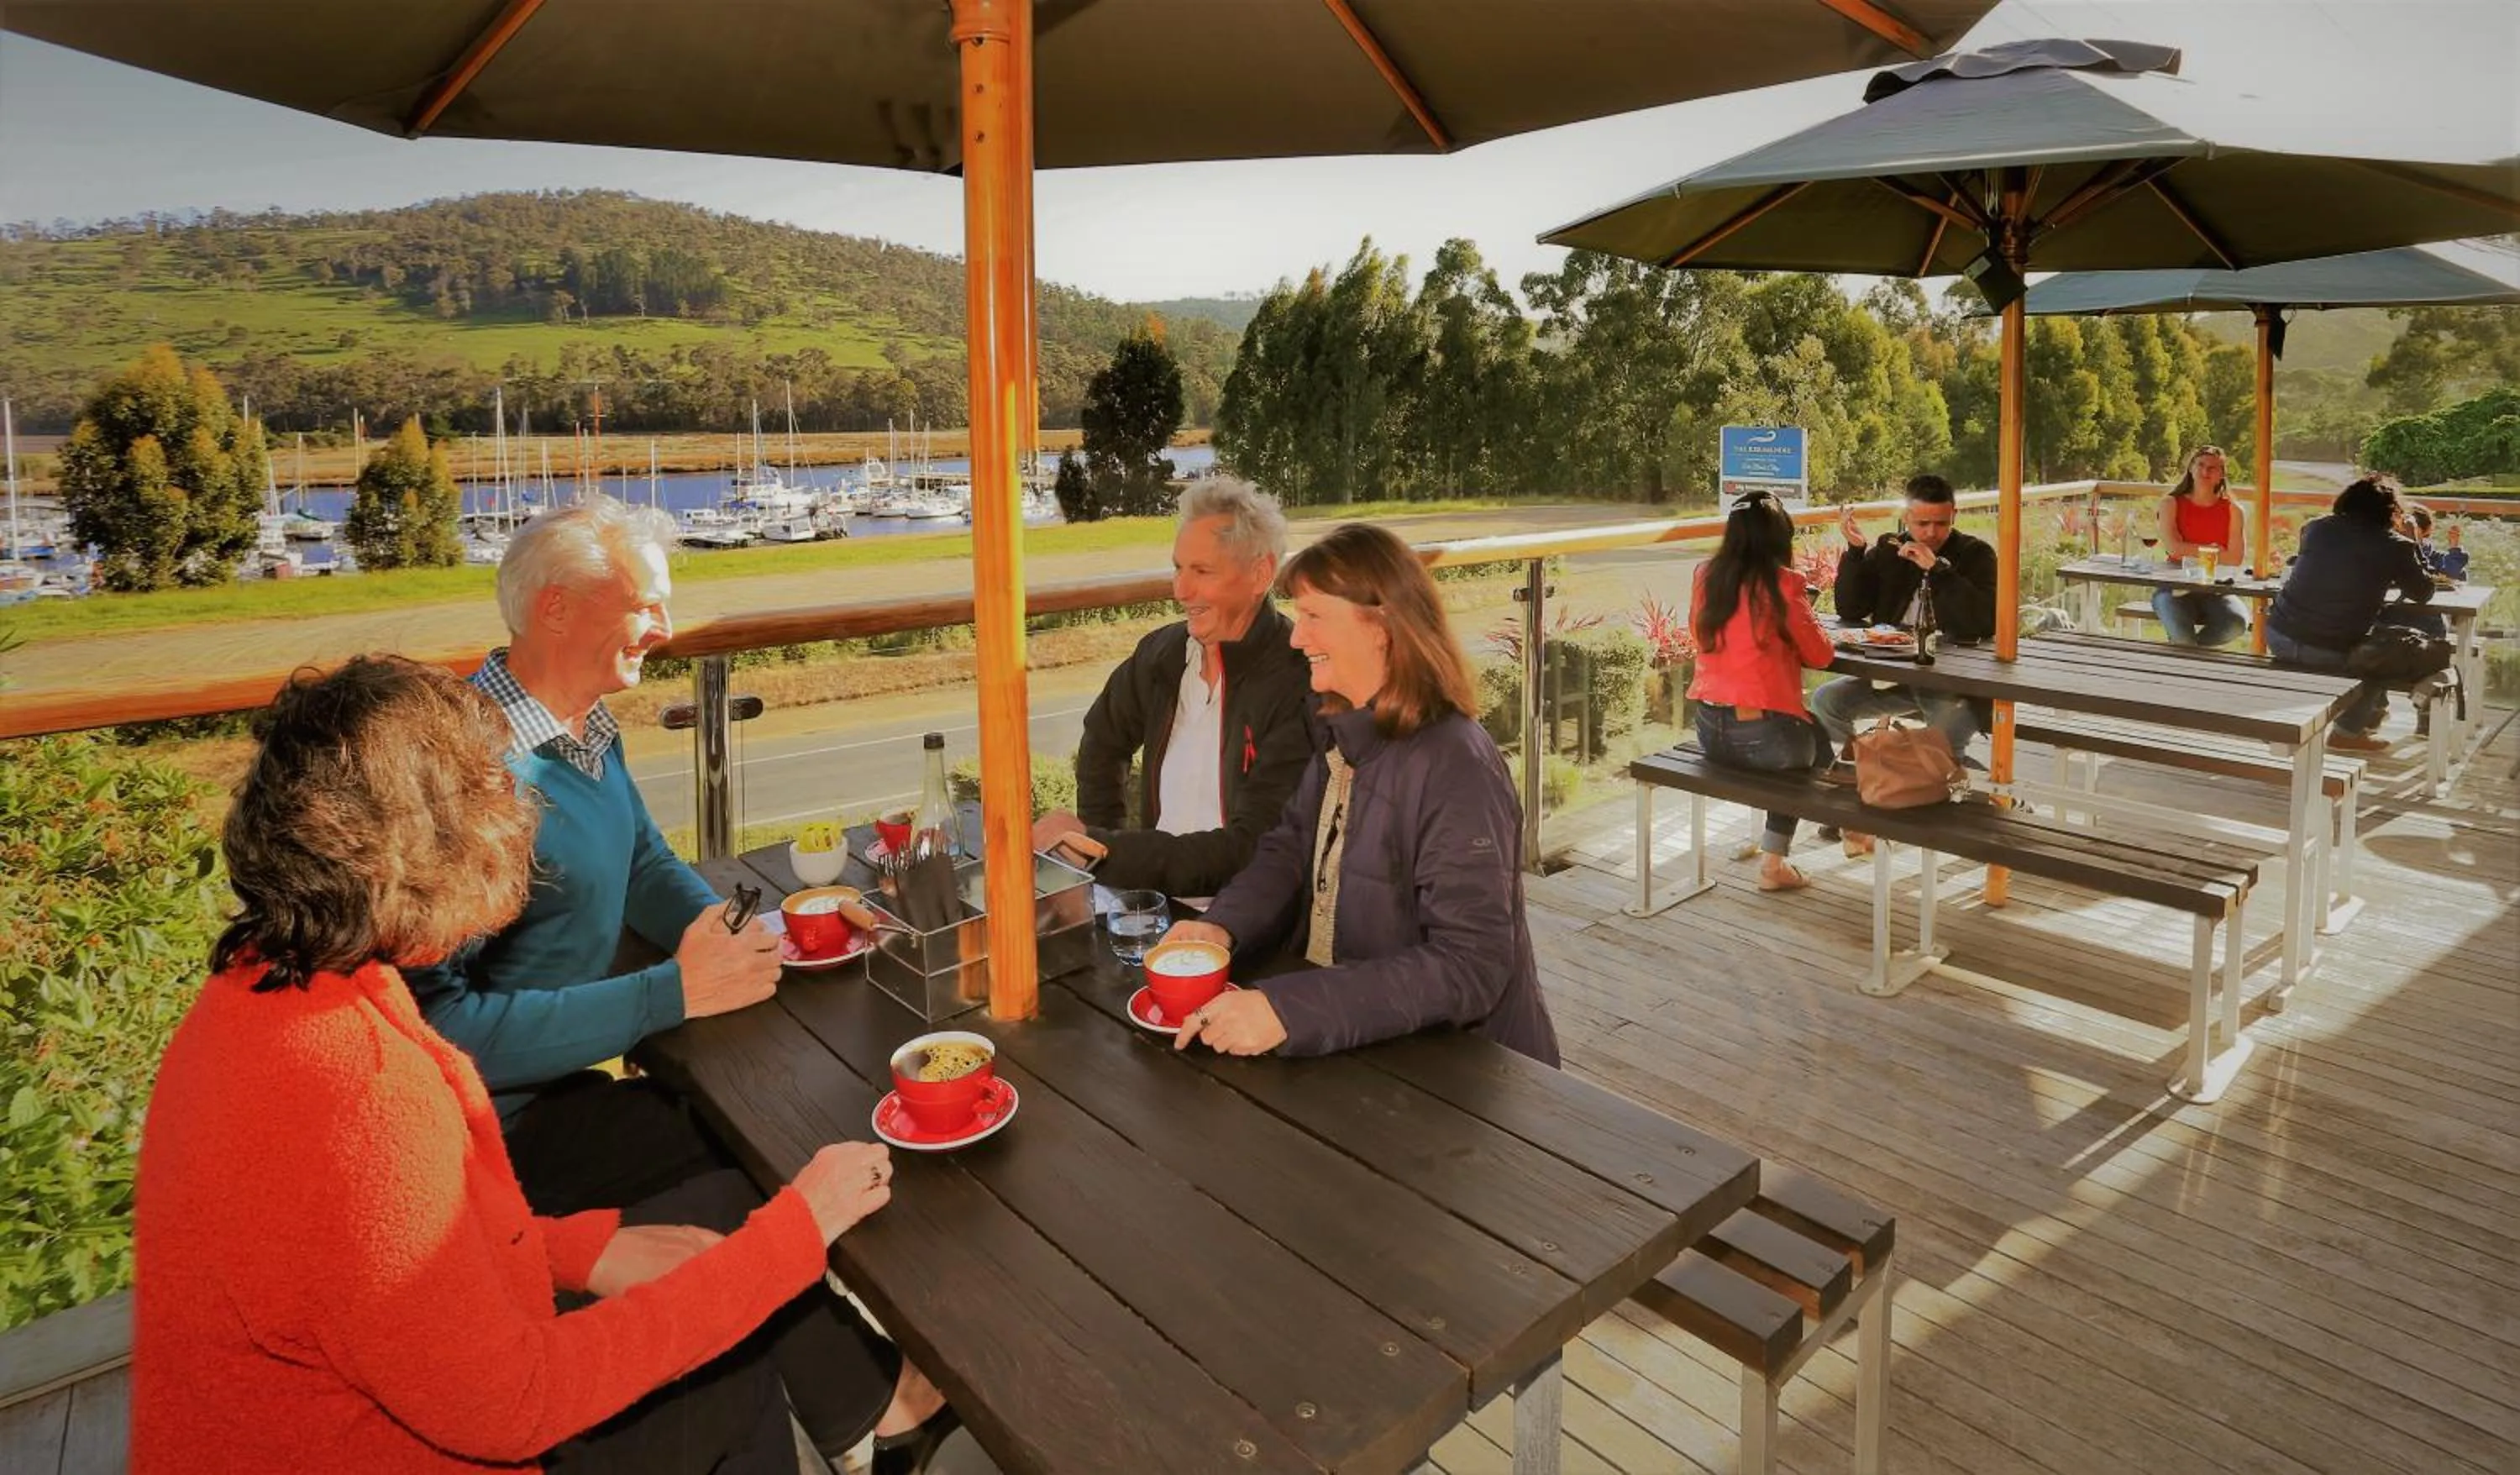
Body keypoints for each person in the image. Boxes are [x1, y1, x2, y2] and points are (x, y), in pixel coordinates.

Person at [133, 656, 915, 1474]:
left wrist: (578, 1252)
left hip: (340, 1408)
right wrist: (797, 1229)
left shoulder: (268, 986)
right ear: (416, 847)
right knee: (720, 1353)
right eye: (494, 791)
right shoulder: (361, 1093)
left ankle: (868, 1413)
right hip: (403, 1442)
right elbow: (513, 1405)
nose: (522, 814)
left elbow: (374, 1270)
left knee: (713, 1273)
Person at [400, 498, 953, 1471]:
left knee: (755, 1133)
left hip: (564, 1090)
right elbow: (436, 1026)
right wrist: (672, 995)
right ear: (557, 609)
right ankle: (872, 1408)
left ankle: (866, 1410)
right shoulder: (464, 771)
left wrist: (736, 928)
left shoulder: (581, 728)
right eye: (646, 604)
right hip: (490, 1141)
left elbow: (648, 859)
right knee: (748, 1154)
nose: (665, 627)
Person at [1153, 523, 1560, 1066]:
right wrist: (1220, 926)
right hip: (1361, 1033)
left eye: (1315, 617)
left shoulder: (1456, 763)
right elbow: (1289, 849)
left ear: (1382, 628)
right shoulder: (1343, 728)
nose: (1297, 639)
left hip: (1463, 1073)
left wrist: (1290, 1011)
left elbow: (1472, 965)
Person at [1032, 479, 1315, 900]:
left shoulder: (1297, 681)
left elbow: (1249, 848)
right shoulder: (1161, 656)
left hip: (1251, 923)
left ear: (1260, 574)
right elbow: (1102, 741)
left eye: (1202, 571)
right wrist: (1101, 841)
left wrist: (1107, 851)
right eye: (1179, 568)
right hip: (1159, 906)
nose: (1181, 590)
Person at [1687, 491, 1840, 893]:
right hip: (1763, 739)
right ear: (1780, 537)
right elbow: (1822, 656)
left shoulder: (1706, 575)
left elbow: (1700, 637)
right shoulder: (1785, 583)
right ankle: (1776, 862)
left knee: (1816, 730)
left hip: (1707, 729)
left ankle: (1849, 834)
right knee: (1810, 751)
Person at [1811, 473, 1998, 777]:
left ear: (1954, 516)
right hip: (1894, 676)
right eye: (1922, 524)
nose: (1932, 533)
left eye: (1941, 523)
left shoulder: (1976, 554)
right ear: (1907, 517)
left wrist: (1938, 570)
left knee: (1941, 745)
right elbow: (1851, 608)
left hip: (1952, 685)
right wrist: (1856, 552)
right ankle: (1864, 780)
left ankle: (1979, 791)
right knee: (1827, 701)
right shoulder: (1891, 550)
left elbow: (1982, 622)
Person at [2266, 476, 2436, 753]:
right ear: (2391, 511)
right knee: (2380, 661)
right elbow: (2423, 592)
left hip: (2278, 635)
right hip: (2328, 649)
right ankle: (2347, 732)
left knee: (2368, 645)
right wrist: (2412, 540)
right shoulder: (2395, 545)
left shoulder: (2315, 528)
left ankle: (2370, 716)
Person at [2151, 444, 2251, 647]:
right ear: (2191, 468)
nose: (2205, 471)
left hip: (2216, 589)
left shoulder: (2233, 511)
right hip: (2175, 587)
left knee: (2238, 623)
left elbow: (2235, 558)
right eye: (2201, 465)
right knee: (2183, 640)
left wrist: (2189, 549)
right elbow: (2174, 549)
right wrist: (2215, 551)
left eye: (2213, 468)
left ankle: (2188, 653)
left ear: (2221, 475)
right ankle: (2188, 655)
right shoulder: (2171, 504)